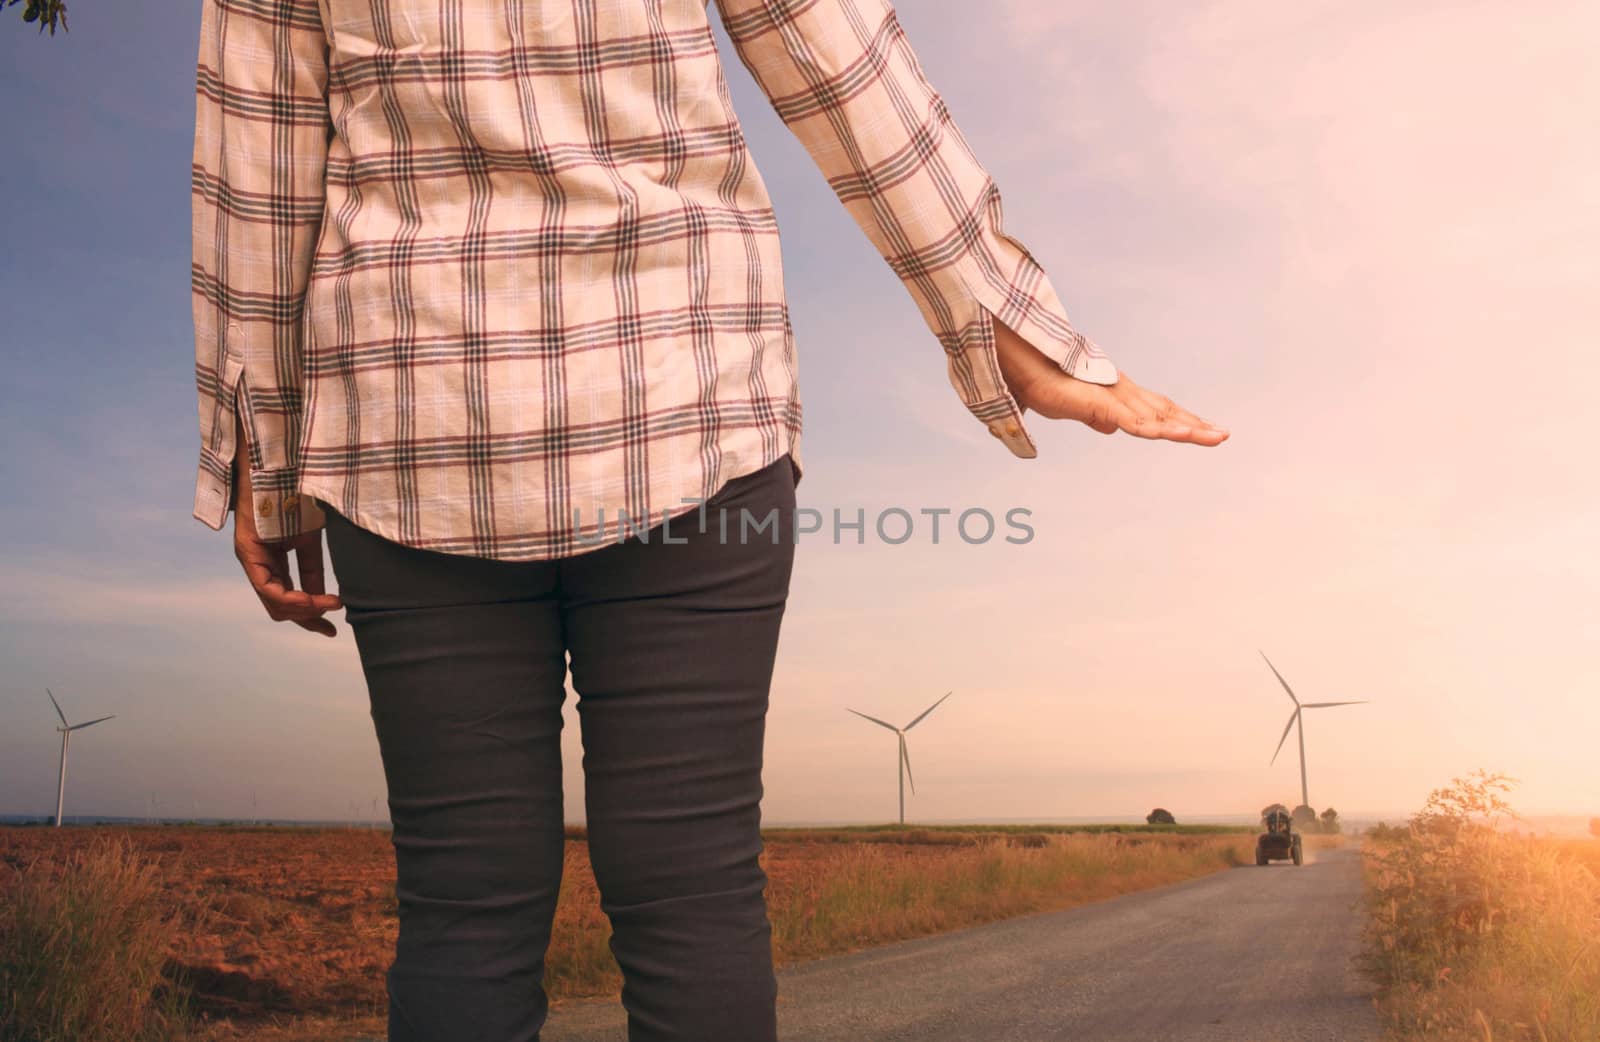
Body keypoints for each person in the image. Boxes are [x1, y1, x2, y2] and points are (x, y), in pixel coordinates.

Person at [189, 1, 1228, 1039]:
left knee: (462, 910)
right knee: (692, 895)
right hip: (687, 405)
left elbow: (260, 157)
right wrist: (1006, 320)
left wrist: (266, 466)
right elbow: (837, 59)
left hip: (415, 430)